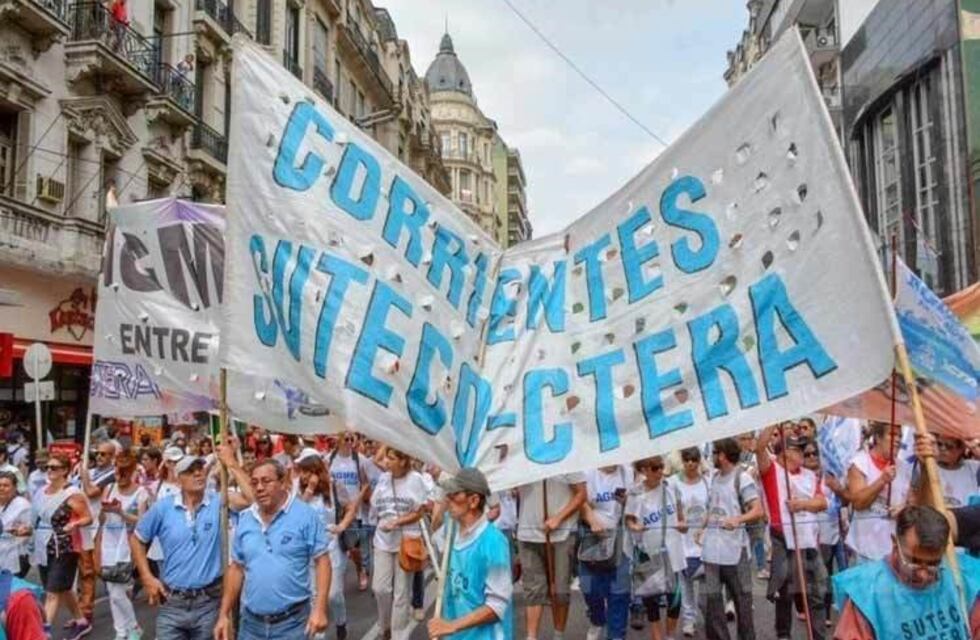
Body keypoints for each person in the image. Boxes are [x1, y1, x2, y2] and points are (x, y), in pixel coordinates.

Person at [131, 446, 252, 640]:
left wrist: (231, 464)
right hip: (172, 602)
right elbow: (138, 539)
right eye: (190, 471)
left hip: (209, 602)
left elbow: (251, 499)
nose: (198, 473)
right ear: (179, 479)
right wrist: (146, 577)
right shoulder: (163, 508)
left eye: (200, 469)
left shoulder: (219, 500)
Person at [214, 459, 329, 640]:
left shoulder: (305, 515)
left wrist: (320, 609)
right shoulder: (245, 520)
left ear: (283, 483)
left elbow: (322, 560)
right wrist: (223, 615)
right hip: (251, 625)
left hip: (293, 624)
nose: (259, 488)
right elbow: (236, 568)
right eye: (254, 482)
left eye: (266, 481)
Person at [833, 504, 980, 639]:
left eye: (933, 564)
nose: (923, 575)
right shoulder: (866, 593)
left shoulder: (964, 577)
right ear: (894, 543)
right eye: (914, 562)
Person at [756, 425, 828, 640]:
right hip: (783, 541)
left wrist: (802, 505)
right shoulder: (772, 471)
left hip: (808, 542)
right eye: (797, 450)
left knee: (816, 593)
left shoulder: (809, 474)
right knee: (785, 595)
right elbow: (760, 448)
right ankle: (783, 635)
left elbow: (821, 502)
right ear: (784, 453)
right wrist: (773, 419)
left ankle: (818, 636)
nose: (802, 454)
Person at [428, 468, 514, 640]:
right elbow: (434, 526)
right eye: (448, 493)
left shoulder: (493, 542)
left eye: (454, 495)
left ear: (474, 500)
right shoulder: (451, 531)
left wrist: (451, 626)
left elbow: (496, 607)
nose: (448, 499)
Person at [697, 438, 763, 640]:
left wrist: (738, 519)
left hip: (736, 551)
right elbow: (711, 509)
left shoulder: (742, 478)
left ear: (723, 455)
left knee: (742, 603)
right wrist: (701, 528)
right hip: (711, 552)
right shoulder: (714, 478)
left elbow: (758, 510)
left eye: (715, 452)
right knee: (711, 603)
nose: (713, 456)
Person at [516, 472, 587, 640]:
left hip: (561, 534)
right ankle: (531, 636)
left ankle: (558, 635)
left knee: (560, 590)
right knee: (533, 589)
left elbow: (582, 493)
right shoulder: (521, 457)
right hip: (528, 532)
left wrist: (558, 518)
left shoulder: (568, 457)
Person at [295, 449, 357, 640]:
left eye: (306, 471)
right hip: (309, 549)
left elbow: (350, 507)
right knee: (314, 597)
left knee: (333, 594)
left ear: (315, 470)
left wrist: (342, 525)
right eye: (301, 472)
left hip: (332, 547)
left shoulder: (334, 486)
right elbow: (296, 513)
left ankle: (341, 622)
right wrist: (309, 489)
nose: (302, 476)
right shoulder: (299, 489)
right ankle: (318, 635)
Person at [626, 455, 687, 640]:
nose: (660, 471)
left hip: (672, 550)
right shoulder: (635, 493)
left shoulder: (671, 487)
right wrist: (635, 526)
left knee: (675, 597)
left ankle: (669, 636)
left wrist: (683, 524)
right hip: (648, 551)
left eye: (661, 467)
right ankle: (656, 636)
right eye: (655, 468)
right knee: (650, 597)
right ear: (644, 470)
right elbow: (629, 520)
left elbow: (680, 515)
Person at [370, 447, 428, 640]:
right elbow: (375, 504)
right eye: (386, 457)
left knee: (401, 593)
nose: (386, 461)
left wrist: (397, 522)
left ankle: (398, 634)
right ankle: (384, 623)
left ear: (403, 461)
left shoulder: (416, 479)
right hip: (383, 541)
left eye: (391, 458)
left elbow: (420, 512)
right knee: (380, 588)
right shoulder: (384, 479)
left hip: (406, 541)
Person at [33, 453, 93, 640]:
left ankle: (44, 631)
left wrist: (74, 524)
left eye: (54, 467)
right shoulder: (41, 491)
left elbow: (88, 517)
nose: (49, 471)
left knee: (52, 592)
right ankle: (81, 621)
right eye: (47, 467)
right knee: (64, 588)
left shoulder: (72, 494)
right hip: (43, 545)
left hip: (64, 547)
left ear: (65, 470)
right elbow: (36, 517)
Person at [96, 452, 148, 640]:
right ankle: (121, 630)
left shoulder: (141, 493)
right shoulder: (109, 488)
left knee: (120, 591)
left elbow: (142, 522)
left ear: (132, 471)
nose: (120, 477)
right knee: (112, 590)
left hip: (127, 544)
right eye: (117, 472)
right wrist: (103, 510)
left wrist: (121, 512)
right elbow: (101, 520)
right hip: (109, 542)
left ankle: (133, 627)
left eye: (124, 473)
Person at [578, 465, 630, 640]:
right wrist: (592, 521)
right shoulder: (589, 472)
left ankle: (616, 635)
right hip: (592, 537)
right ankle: (597, 618)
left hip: (619, 538)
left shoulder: (626, 472)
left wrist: (628, 502)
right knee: (589, 587)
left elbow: (636, 501)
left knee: (619, 591)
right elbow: (581, 501)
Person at [844, 420, 908, 563]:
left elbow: (913, 500)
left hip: (893, 551)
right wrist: (882, 481)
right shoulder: (859, 463)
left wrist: (904, 508)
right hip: (864, 550)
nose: (897, 439)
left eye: (900, 435)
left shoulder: (904, 468)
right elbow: (858, 503)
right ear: (878, 437)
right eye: (892, 434)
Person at [78, 440, 118, 621]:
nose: (99, 457)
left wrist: (83, 474)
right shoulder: (92, 471)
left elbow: (90, 491)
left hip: (100, 527)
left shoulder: (112, 473)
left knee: (99, 569)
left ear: (112, 457)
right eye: (97, 454)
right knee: (86, 571)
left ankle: (125, 584)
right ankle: (84, 612)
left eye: (103, 454)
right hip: (83, 526)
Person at [329, 432, 372, 591]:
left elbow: (366, 483)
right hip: (335, 509)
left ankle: (361, 570)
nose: (349, 442)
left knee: (353, 547)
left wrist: (358, 500)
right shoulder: (330, 459)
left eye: (351, 439)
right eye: (346, 439)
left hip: (353, 510)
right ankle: (334, 578)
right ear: (338, 440)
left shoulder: (359, 459)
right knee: (338, 545)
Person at [675, 448, 709, 638]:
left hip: (704, 542)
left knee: (708, 586)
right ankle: (688, 620)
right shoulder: (674, 484)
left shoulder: (707, 482)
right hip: (683, 542)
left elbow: (712, 507)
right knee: (685, 584)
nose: (690, 463)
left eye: (694, 459)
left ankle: (708, 618)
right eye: (687, 459)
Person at [0, 471, 31, 577]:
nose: (2, 488)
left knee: (8, 590)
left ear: (14, 487)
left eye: (6, 485)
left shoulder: (22, 505)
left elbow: (30, 531)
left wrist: (22, 532)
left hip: (15, 555)